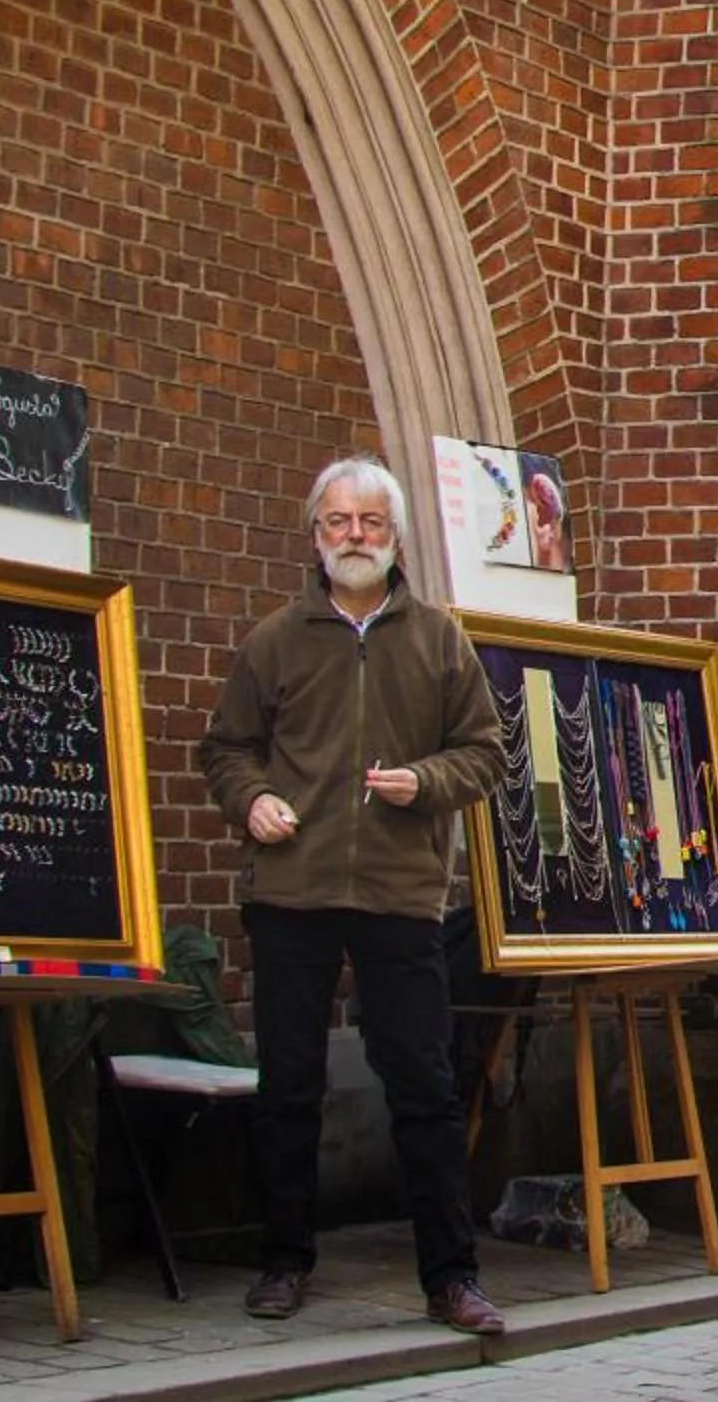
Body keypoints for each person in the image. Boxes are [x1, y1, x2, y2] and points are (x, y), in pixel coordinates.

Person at [198, 457, 511, 1334]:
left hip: (400, 893)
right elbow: (226, 748)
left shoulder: (439, 641)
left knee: (424, 1085)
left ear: (396, 538)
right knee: (289, 1084)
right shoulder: (275, 640)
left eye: (371, 522)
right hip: (290, 889)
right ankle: (284, 1260)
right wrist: (251, 801)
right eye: (338, 521)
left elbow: (486, 753)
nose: (355, 536)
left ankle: (451, 1276)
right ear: (314, 536)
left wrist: (424, 781)